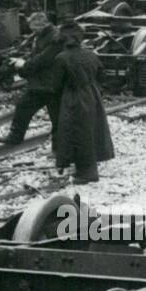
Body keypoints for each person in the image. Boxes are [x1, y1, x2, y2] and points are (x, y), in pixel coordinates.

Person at [51, 21, 115, 185]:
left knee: (77, 132)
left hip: (73, 97)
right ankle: (86, 168)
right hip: (92, 95)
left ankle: (87, 173)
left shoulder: (61, 58)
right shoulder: (91, 55)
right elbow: (103, 76)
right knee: (90, 130)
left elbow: (56, 85)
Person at [0, 12, 62, 146]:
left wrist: (24, 65)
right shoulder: (42, 35)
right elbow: (36, 56)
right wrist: (22, 61)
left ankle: (58, 148)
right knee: (51, 116)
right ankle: (16, 137)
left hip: (50, 84)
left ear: (42, 24)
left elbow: (43, 59)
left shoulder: (55, 37)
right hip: (44, 83)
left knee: (54, 116)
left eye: (34, 28)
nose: (32, 31)